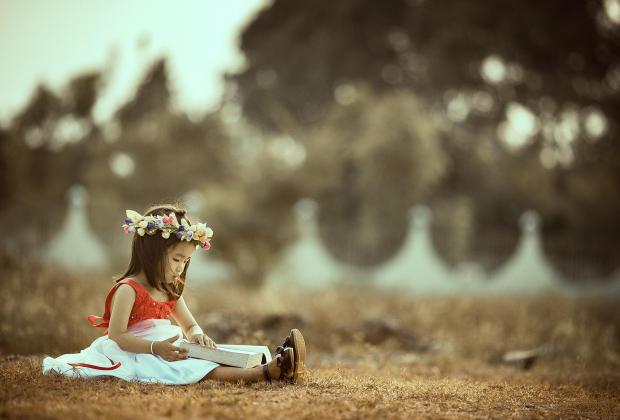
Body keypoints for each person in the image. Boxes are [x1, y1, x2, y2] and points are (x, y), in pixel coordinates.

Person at [42, 204, 306, 385]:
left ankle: (277, 360)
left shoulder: (170, 291)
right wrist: (156, 348)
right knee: (192, 368)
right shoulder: (128, 289)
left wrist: (197, 335)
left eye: (185, 262)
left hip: (171, 347)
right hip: (137, 352)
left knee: (215, 354)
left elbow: (188, 324)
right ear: (152, 253)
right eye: (177, 259)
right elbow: (117, 335)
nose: (181, 267)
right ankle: (266, 373)